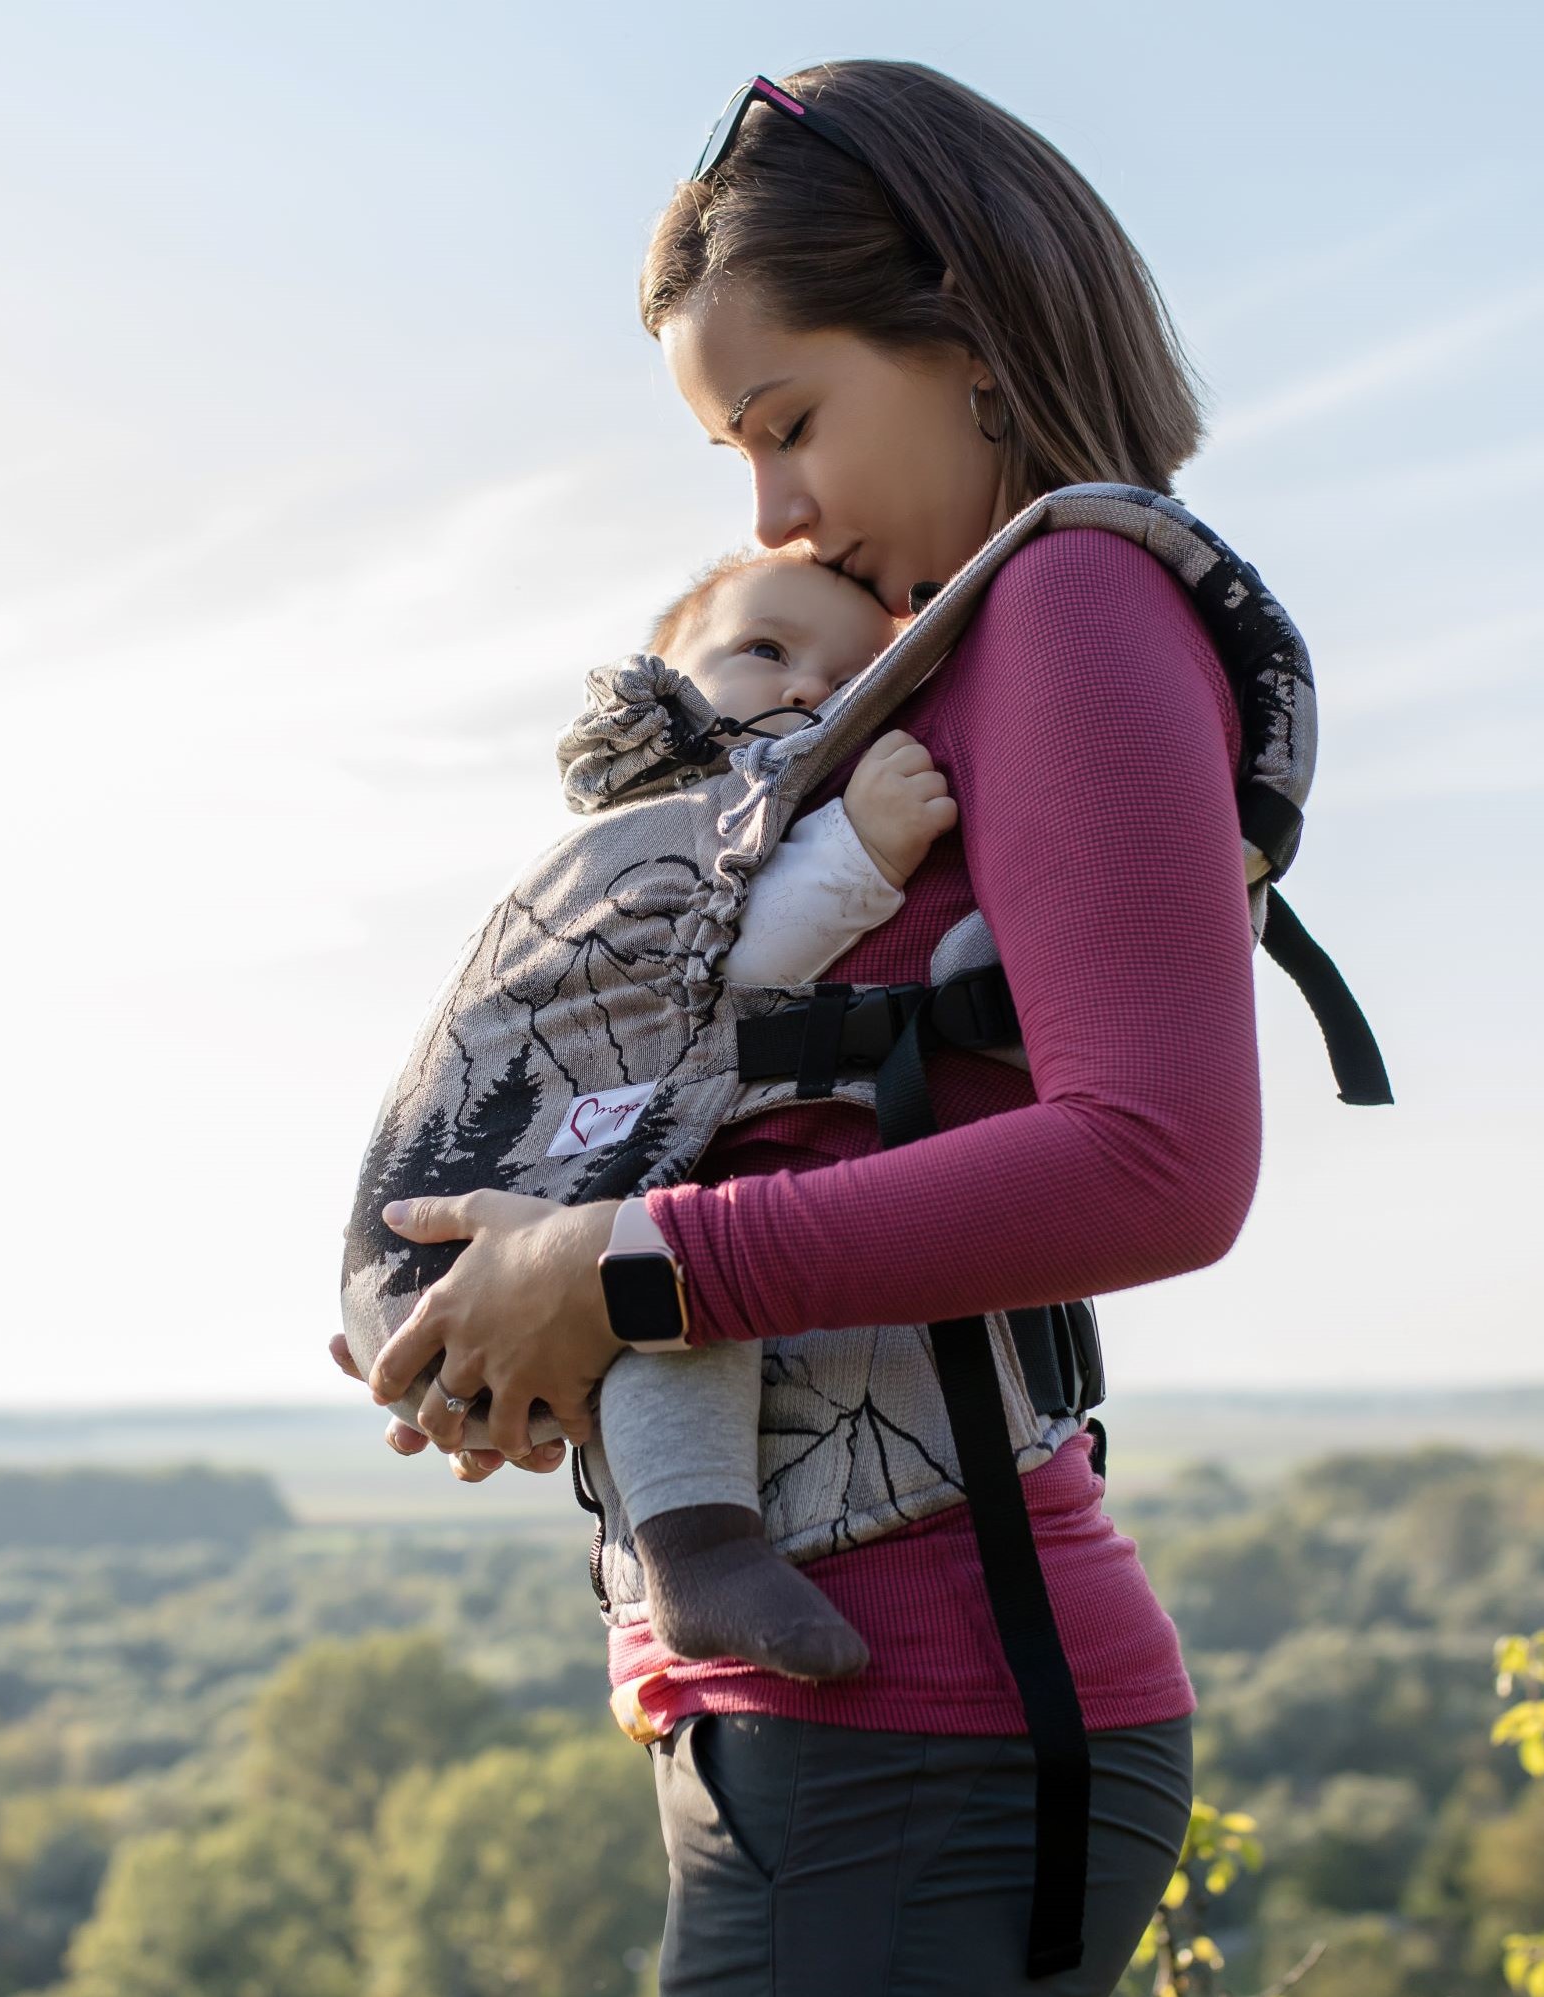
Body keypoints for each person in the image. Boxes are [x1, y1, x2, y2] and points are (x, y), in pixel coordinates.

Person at [331, 58, 1261, 1996]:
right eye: (732, 458)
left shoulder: (1075, 600)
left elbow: (1157, 1158)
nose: (771, 511)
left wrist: (625, 1269)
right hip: (842, 1714)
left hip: (920, 1720)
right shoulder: (968, 647)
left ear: (966, 331)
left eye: (789, 422)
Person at [580, 546, 972, 1684]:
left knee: (676, 1278)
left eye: (848, 681)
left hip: (608, 1157)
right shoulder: (663, 815)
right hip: (595, 1153)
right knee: (674, 1279)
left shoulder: (776, 802)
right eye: (765, 650)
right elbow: (712, 969)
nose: (807, 687)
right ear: (662, 680)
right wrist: (863, 851)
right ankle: (695, 1549)